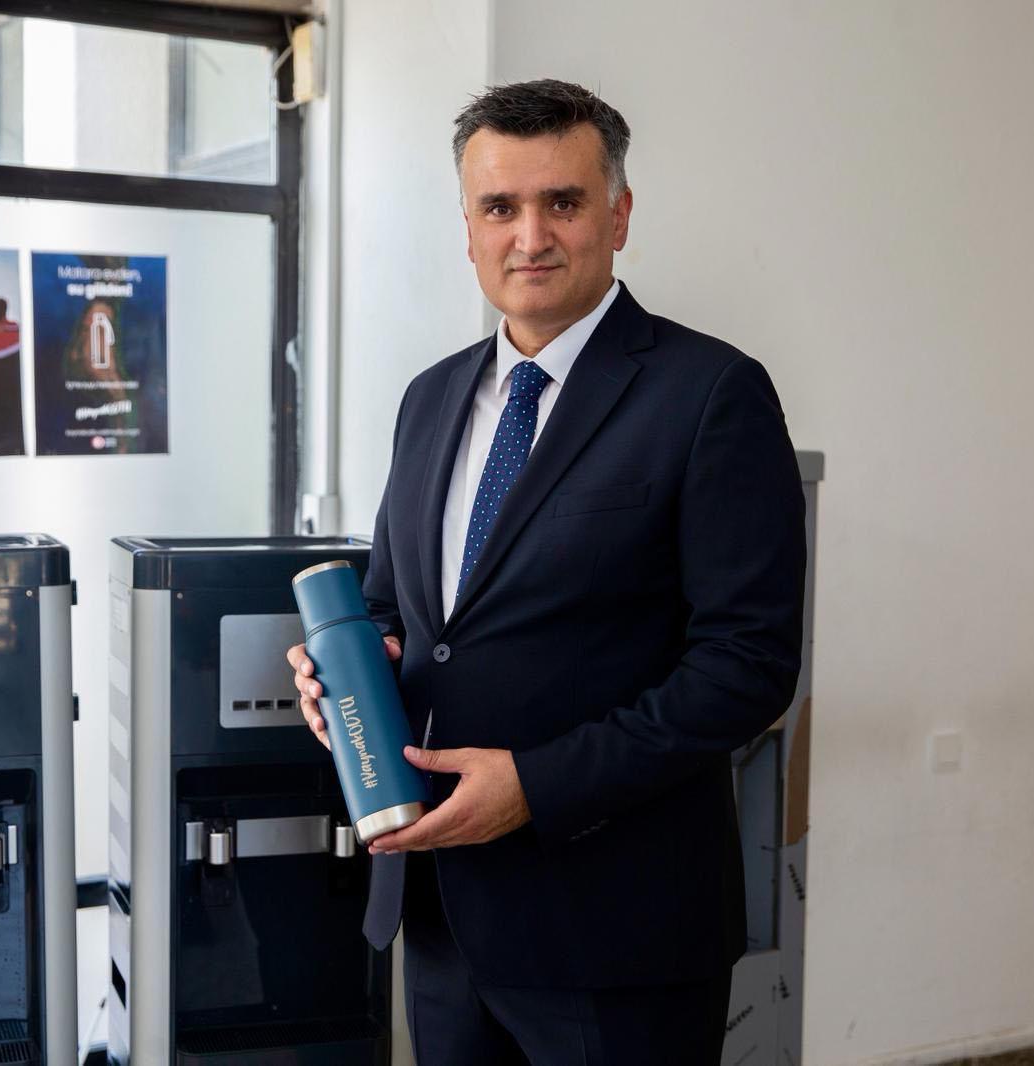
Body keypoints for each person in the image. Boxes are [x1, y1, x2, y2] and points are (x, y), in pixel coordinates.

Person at [286, 78, 806, 1065]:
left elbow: (747, 666)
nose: (530, 236)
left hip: (617, 931)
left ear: (618, 215)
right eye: (499, 207)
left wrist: (536, 784)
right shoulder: (429, 398)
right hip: (444, 917)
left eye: (562, 202)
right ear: (468, 228)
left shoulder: (710, 394)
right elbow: (403, 613)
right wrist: (348, 679)